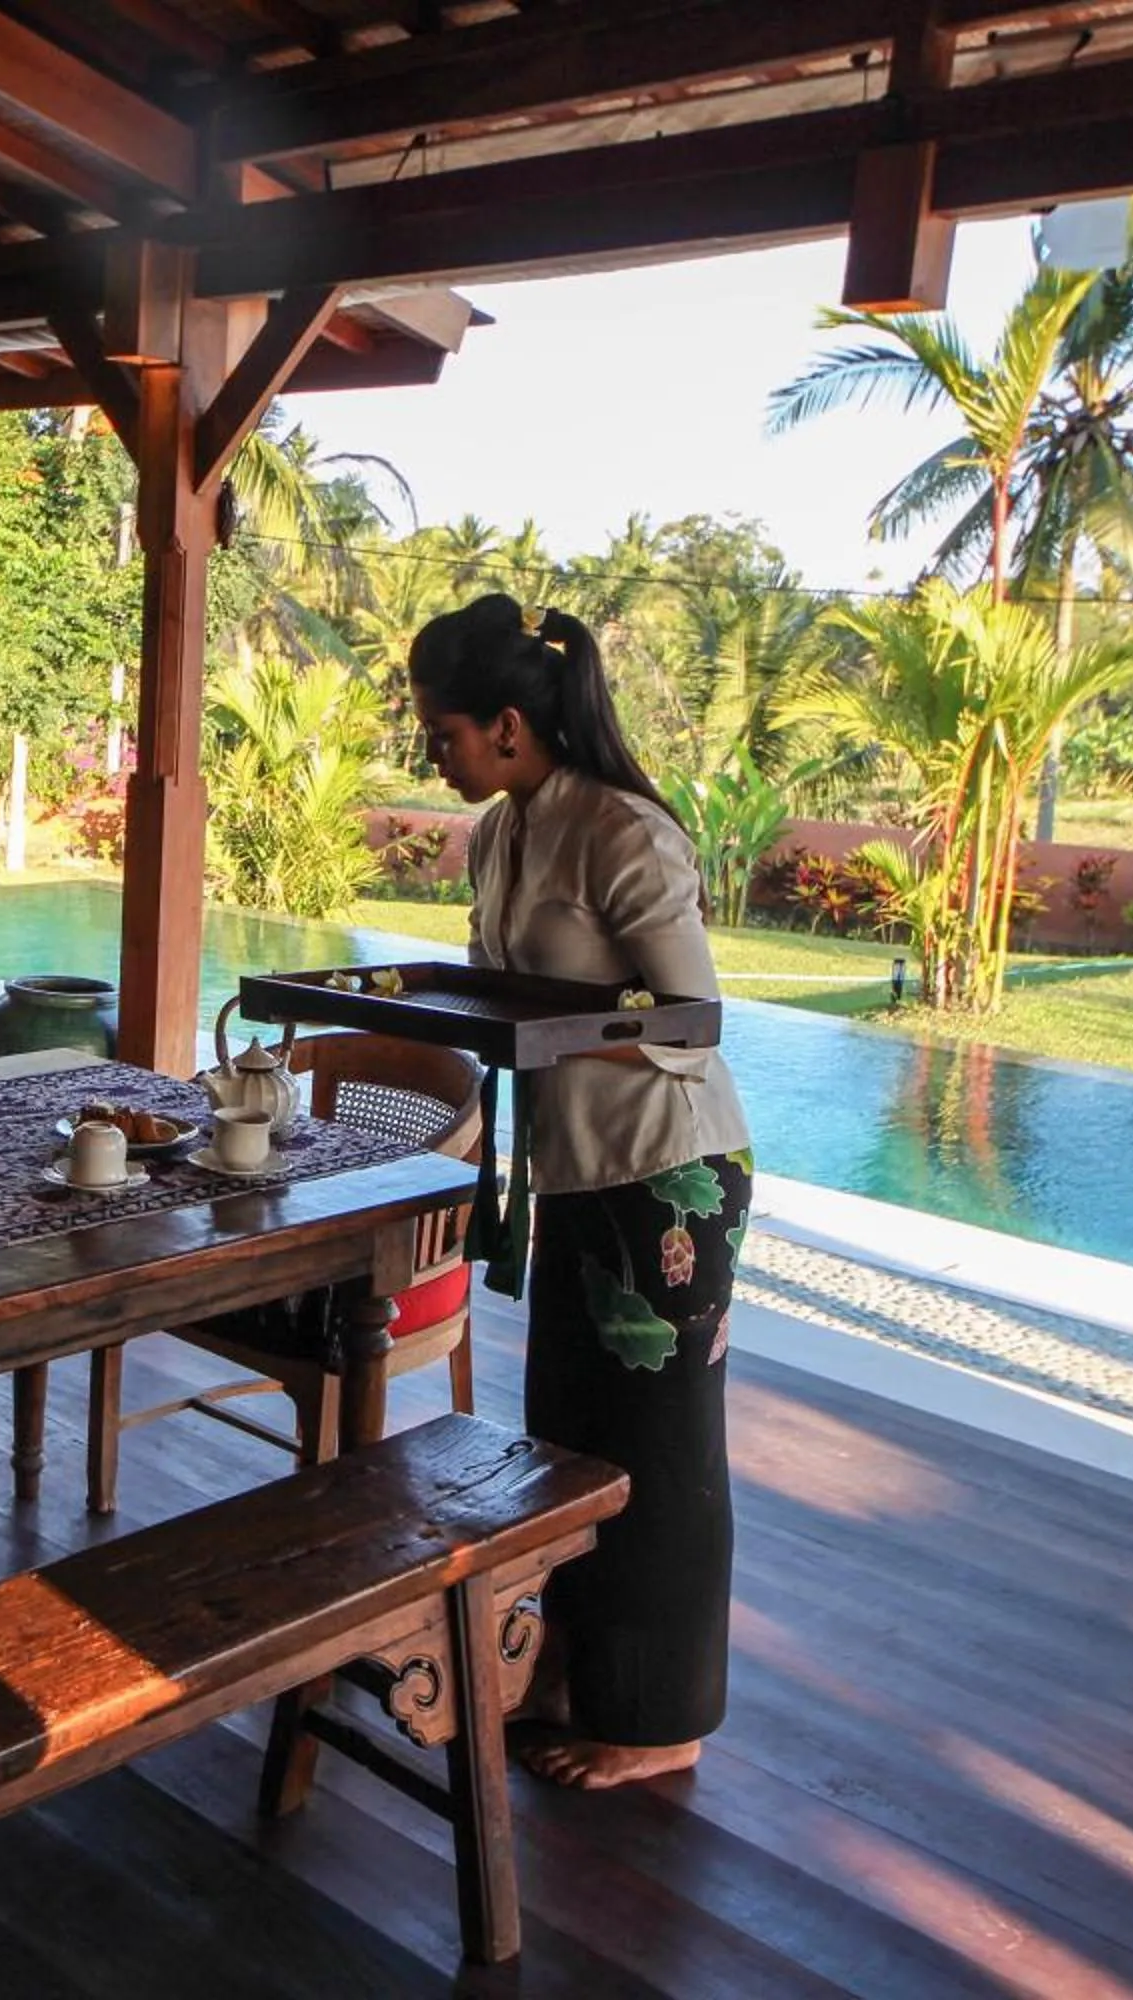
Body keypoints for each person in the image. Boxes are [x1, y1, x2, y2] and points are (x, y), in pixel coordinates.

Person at [409, 592, 752, 1791]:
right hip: (578, 1173)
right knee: (567, 1432)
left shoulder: (626, 830)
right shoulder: (504, 830)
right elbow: (507, 993)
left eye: (444, 733)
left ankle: (659, 1718)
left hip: (670, 1175)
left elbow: (693, 1022)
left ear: (508, 724)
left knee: (659, 1450)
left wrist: (543, 1027)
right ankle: (567, 1666)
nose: (432, 754)